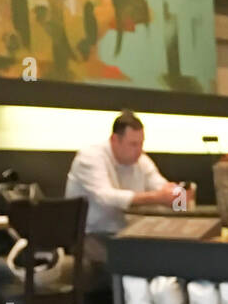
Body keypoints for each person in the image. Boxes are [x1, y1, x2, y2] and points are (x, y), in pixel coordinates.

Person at [66, 112, 181, 280]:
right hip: (90, 235)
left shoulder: (141, 160)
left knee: (167, 257)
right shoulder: (90, 157)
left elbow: (159, 184)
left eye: (141, 144)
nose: (138, 150)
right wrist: (157, 197)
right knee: (130, 264)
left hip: (128, 234)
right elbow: (106, 197)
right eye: (133, 144)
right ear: (114, 140)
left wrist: (178, 195)